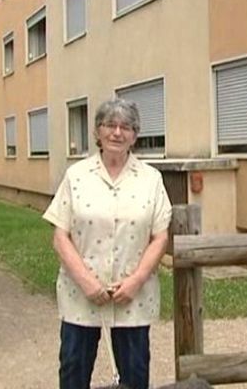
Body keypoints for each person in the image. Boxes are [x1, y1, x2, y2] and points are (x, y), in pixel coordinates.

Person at [43, 98, 172, 389]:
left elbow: (160, 236)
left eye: (126, 127)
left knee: (135, 376)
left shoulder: (151, 179)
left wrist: (137, 280)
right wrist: (86, 281)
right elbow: (60, 235)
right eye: (110, 125)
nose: (117, 132)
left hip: (133, 299)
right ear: (97, 132)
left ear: (135, 135)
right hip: (80, 297)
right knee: (74, 372)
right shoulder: (76, 176)